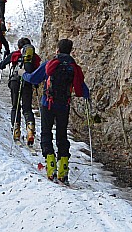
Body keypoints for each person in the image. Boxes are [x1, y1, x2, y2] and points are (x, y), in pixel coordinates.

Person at [22, 38, 89, 185]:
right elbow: (80, 89)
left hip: (48, 104)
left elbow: (33, 78)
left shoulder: (50, 64)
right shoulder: (73, 67)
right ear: (71, 50)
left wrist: (23, 74)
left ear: (57, 49)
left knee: (46, 133)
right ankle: (63, 170)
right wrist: (87, 95)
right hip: (63, 106)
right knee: (62, 135)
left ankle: (50, 165)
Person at [0, 37, 40, 145]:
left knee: (15, 107)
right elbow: (36, 72)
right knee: (27, 108)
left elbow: (1, 65)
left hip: (14, 82)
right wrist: (35, 84)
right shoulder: (34, 57)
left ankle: (16, 131)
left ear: (19, 46)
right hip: (27, 83)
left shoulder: (15, 54)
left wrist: (4, 61)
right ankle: (30, 131)